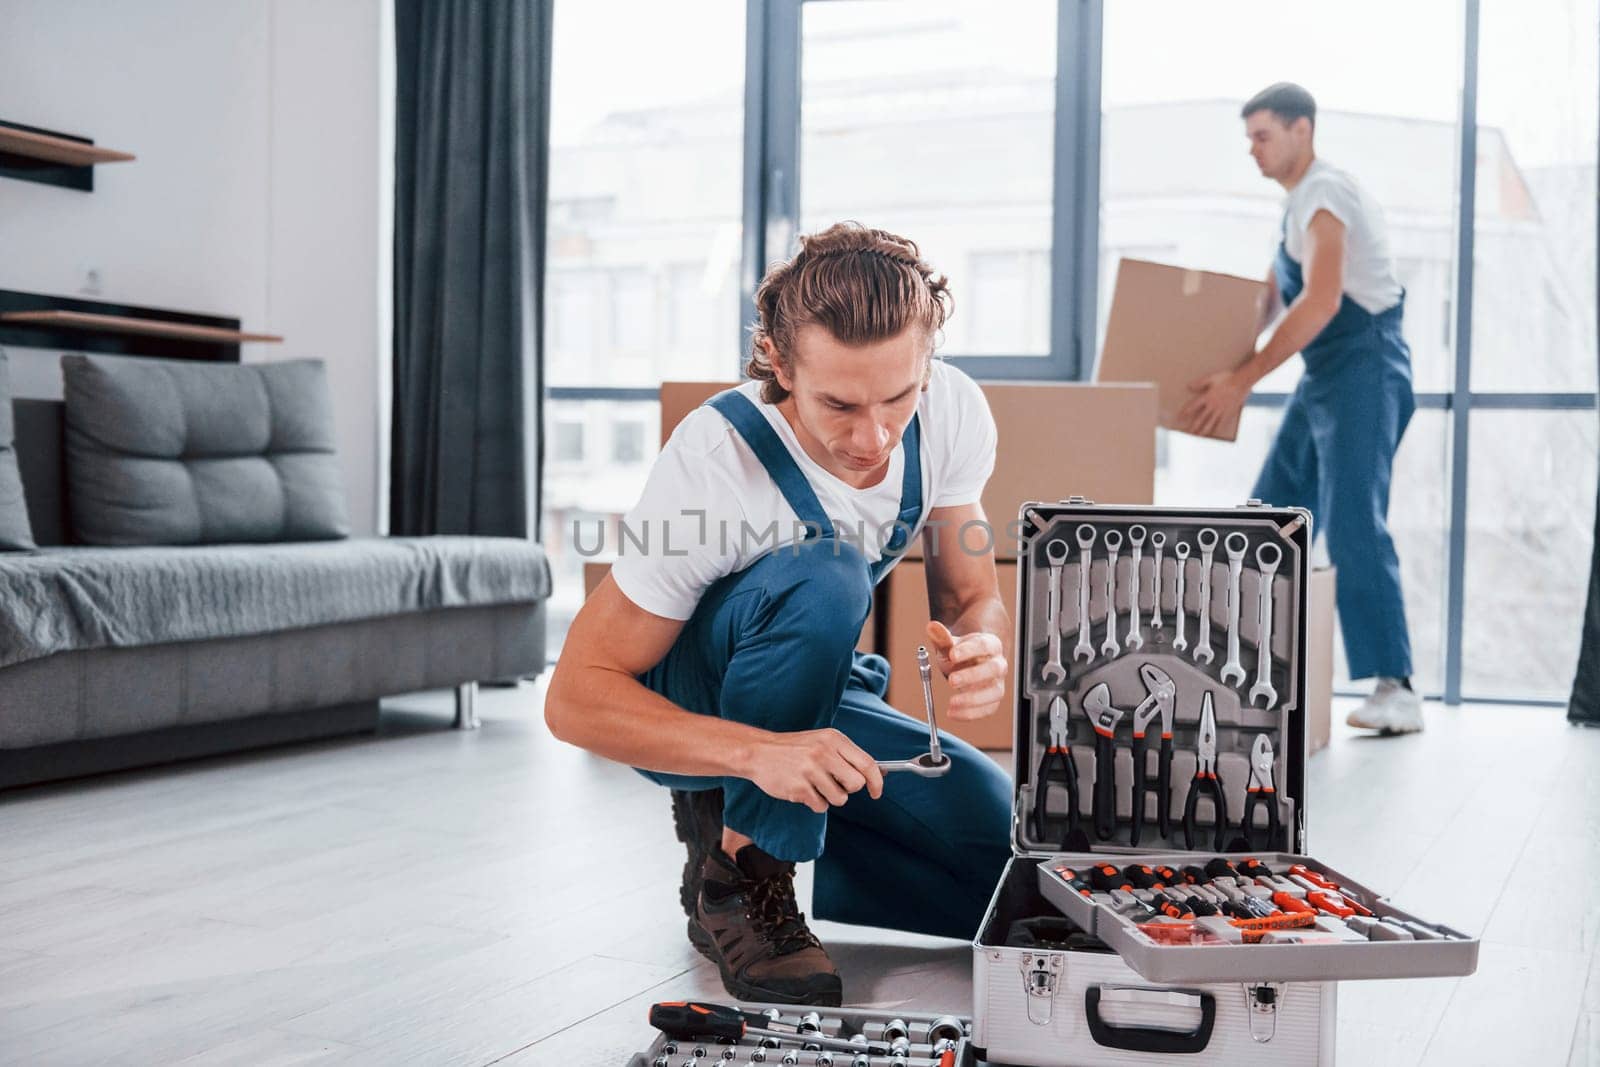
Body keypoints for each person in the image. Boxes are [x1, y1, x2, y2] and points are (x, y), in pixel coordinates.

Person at [545, 222, 1014, 1006]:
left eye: (899, 397)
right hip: (693, 691)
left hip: (816, 690)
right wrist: (756, 753)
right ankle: (744, 876)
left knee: (1001, 865)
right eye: (839, 403)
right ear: (778, 362)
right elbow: (575, 697)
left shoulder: (955, 413)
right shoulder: (714, 462)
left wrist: (981, 647)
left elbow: (971, 596)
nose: (873, 436)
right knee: (827, 575)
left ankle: (743, 822)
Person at [1181, 82, 1422, 735]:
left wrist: (1244, 382)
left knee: (1351, 521)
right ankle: (1245, 670)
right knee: (1269, 519)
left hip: (1365, 367)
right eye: (1248, 139)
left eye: (1262, 135)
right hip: (1325, 377)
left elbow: (1319, 303)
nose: (1253, 151)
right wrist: (1206, 365)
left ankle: (1396, 686)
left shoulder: (1325, 193)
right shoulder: (1294, 210)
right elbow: (1266, 304)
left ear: (1302, 130)